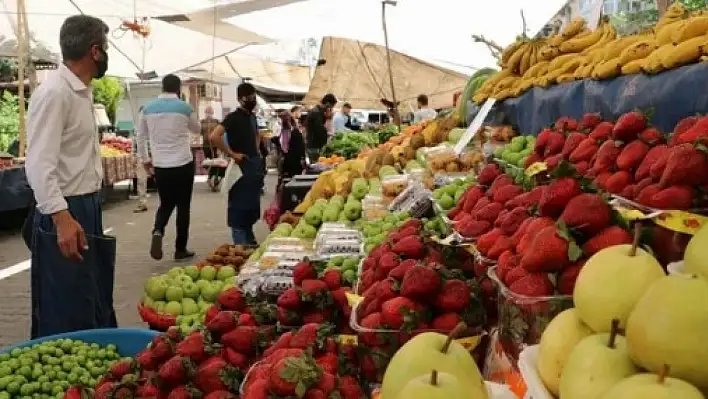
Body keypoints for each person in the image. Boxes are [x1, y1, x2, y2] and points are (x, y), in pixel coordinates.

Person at [25, 14, 117, 338]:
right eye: (105, 48)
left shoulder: (81, 91)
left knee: (92, 299)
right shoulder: (55, 93)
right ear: (95, 51)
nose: (106, 54)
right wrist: (62, 218)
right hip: (66, 211)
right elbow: (38, 164)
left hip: (86, 207)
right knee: (65, 309)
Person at [137, 74, 200, 261]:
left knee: (165, 203)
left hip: (161, 165)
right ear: (178, 89)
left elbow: (140, 136)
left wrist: (146, 159)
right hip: (183, 163)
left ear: (162, 88)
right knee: (183, 207)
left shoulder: (147, 109)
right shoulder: (185, 108)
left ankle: (158, 230)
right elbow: (197, 129)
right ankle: (180, 249)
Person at [209, 82, 265, 245]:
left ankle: (250, 242)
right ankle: (241, 247)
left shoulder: (253, 117)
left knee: (251, 209)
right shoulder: (232, 118)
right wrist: (232, 154)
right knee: (239, 211)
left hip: (253, 167)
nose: (252, 100)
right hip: (241, 169)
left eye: (254, 97)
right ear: (240, 99)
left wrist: (257, 153)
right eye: (249, 98)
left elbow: (256, 135)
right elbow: (214, 137)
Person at [305, 93, 337, 162]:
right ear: (328, 103)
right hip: (314, 146)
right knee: (316, 167)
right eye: (332, 106)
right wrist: (330, 134)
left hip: (315, 144)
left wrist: (326, 117)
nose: (331, 108)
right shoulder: (316, 112)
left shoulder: (319, 111)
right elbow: (319, 129)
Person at [280, 106, 306, 178]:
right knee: (294, 177)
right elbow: (300, 146)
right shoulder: (293, 130)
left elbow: (284, 146)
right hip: (294, 159)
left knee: (290, 177)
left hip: (290, 158)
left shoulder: (287, 130)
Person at [200, 106, 222, 190]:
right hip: (206, 145)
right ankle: (211, 177)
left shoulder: (216, 122)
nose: (208, 114)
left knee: (215, 162)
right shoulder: (202, 122)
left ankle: (214, 179)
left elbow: (220, 133)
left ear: (212, 113)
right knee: (208, 162)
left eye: (210, 112)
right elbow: (200, 132)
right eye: (207, 112)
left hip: (215, 146)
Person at [133, 105, 149, 213]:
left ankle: (142, 202)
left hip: (147, 154)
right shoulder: (139, 126)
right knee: (142, 180)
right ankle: (142, 202)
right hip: (143, 155)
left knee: (142, 180)